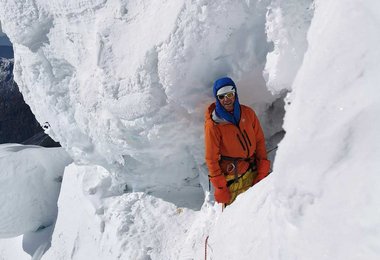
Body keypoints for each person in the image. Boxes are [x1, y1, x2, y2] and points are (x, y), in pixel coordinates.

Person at [204, 77, 271, 206]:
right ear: (217, 99)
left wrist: (262, 168)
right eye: (222, 96)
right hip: (232, 177)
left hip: (253, 169)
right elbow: (211, 158)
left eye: (229, 94)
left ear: (235, 94)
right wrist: (220, 188)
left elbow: (259, 141)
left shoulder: (248, 113)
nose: (226, 99)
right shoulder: (213, 125)